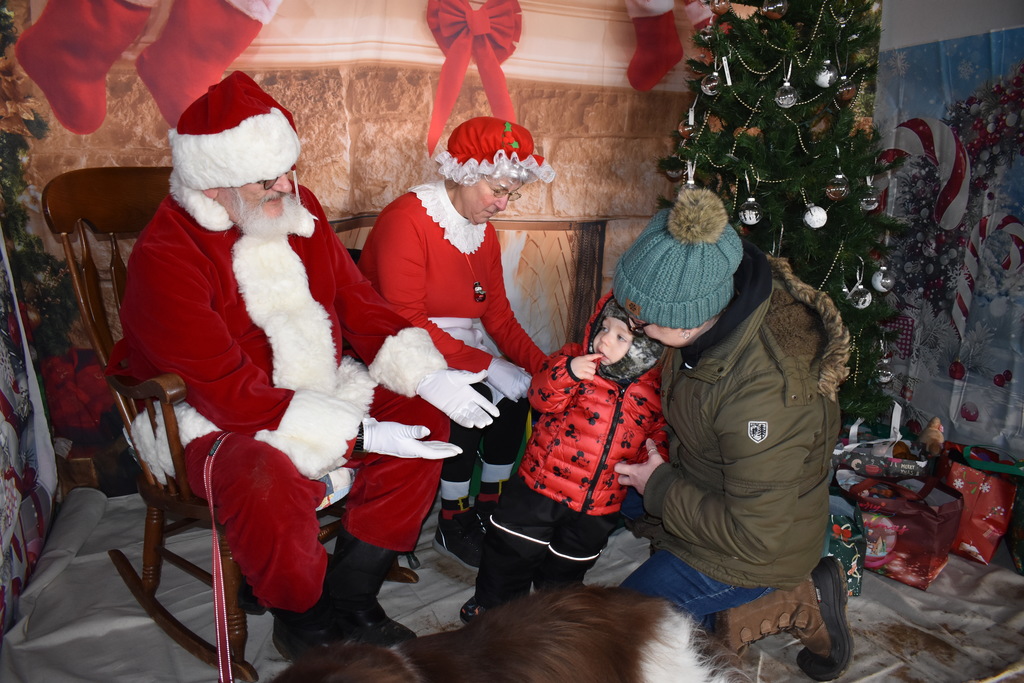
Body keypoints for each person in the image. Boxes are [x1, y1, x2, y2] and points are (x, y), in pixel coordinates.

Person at [109, 71, 502, 660]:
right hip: (203, 411)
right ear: (214, 185)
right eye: (267, 179)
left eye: (289, 169)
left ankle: (352, 593)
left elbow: (357, 301)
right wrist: (362, 431)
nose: (287, 186)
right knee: (262, 476)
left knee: (425, 418)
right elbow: (222, 392)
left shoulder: (297, 207)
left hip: (312, 385)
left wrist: (425, 372)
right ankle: (305, 616)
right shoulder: (165, 257)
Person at [610, 186, 854, 681]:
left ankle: (795, 594)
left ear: (688, 320)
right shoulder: (711, 311)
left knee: (620, 626)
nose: (634, 327)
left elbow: (755, 536)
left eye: (644, 321)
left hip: (755, 549)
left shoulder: (764, 399)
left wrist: (659, 488)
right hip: (709, 484)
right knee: (587, 482)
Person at [359, 116, 555, 569]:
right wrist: (487, 365)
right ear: (466, 173)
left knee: (516, 399)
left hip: (459, 347)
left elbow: (498, 315)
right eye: (497, 191)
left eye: (512, 193)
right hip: (400, 352)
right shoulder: (407, 218)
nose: (504, 205)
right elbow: (405, 319)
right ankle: (454, 518)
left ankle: (489, 507)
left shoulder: (481, 228)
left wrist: (541, 368)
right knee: (472, 403)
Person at [458, 293, 668, 622]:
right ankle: (492, 608)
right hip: (540, 489)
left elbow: (655, 436)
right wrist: (567, 372)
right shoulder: (573, 361)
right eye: (604, 328)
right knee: (511, 552)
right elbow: (540, 397)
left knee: (567, 568)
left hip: (597, 505)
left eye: (620, 337)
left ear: (647, 350)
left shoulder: (652, 393)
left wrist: (655, 460)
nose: (604, 340)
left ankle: (551, 617)